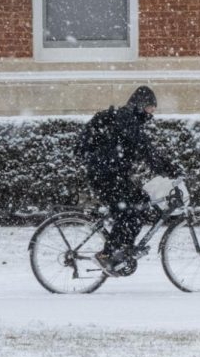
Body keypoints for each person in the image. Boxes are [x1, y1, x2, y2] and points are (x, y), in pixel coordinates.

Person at [76, 86, 180, 274]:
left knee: (140, 203)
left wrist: (163, 166)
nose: (151, 113)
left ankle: (123, 252)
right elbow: (145, 148)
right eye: (150, 108)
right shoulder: (126, 119)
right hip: (105, 175)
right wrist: (169, 169)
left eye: (153, 110)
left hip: (111, 174)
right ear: (140, 105)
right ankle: (108, 255)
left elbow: (143, 148)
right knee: (129, 211)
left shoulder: (128, 119)